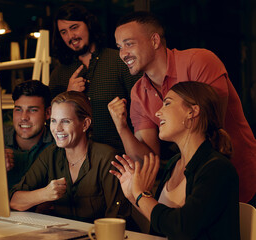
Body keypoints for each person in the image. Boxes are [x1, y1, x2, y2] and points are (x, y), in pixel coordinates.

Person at [108, 11, 256, 204]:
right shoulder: (139, 92)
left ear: (154, 41)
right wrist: (122, 127)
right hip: (193, 188)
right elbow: (148, 161)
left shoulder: (198, 61)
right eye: (119, 47)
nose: (123, 53)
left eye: (129, 44)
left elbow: (210, 130)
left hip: (241, 175)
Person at [111, 82, 240, 240]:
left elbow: (182, 227)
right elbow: (163, 222)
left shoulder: (217, 169)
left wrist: (140, 195)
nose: (158, 113)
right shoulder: (174, 163)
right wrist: (133, 194)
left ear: (192, 112)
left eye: (167, 103)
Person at [9, 91, 131, 223]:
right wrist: (44, 194)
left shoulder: (106, 158)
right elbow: (14, 201)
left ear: (85, 124)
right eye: (53, 121)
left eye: (65, 121)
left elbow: (118, 218)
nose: (57, 128)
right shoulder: (50, 154)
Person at [49, 3, 140, 153]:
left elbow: (143, 110)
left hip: (121, 157)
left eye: (74, 27)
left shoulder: (119, 61)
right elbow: (51, 124)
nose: (71, 36)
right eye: (63, 32)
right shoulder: (59, 74)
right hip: (76, 161)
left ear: (89, 25)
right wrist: (68, 95)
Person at [4, 80, 53, 190]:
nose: (24, 117)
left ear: (48, 113)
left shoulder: (59, 146)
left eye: (33, 110)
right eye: (18, 109)